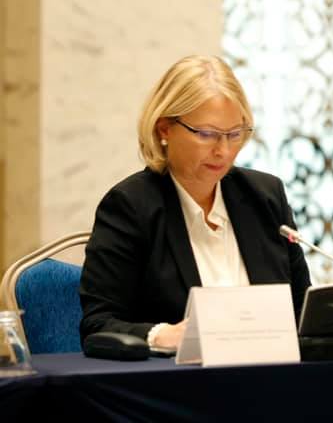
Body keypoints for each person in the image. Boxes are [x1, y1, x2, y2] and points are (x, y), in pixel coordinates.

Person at [79, 55, 310, 349]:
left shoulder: (265, 196)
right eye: (207, 134)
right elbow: (98, 324)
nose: (223, 151)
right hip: (177, 374)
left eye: (234, 134)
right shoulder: (130, 206)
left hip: (271, 369)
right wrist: (162, 335)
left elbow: (302, 312)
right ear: (164, 129)